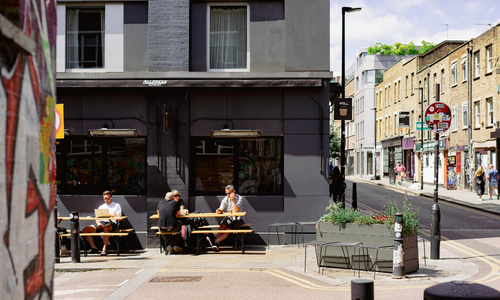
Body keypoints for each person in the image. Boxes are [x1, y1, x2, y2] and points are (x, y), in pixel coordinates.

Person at [81, 190, 122, 256]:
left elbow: (119, 216)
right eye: (105, 198)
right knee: (85, 230)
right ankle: (94, 248)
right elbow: (97, 219)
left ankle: (104, 249)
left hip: (112, 223)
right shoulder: (101, 207)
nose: (107, 200)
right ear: (103, 198)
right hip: (102, 223)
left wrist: (111, 216)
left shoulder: (116, 205)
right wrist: (98, 223)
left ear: (111, 197)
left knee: (106, 228)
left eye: (108, 198)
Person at [206, 185, 244, 251]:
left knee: (227, 230)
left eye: (229, 193)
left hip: (237, 219)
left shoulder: (239, 198)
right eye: (226, 193)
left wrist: (232, 200)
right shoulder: (225, 198)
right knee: (222, 226)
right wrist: (219, 210)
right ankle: (216, 244)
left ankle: (214, 242)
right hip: (229, 218)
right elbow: (221, 207)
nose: (228, 195)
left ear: (233, 191)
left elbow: (235, 210)